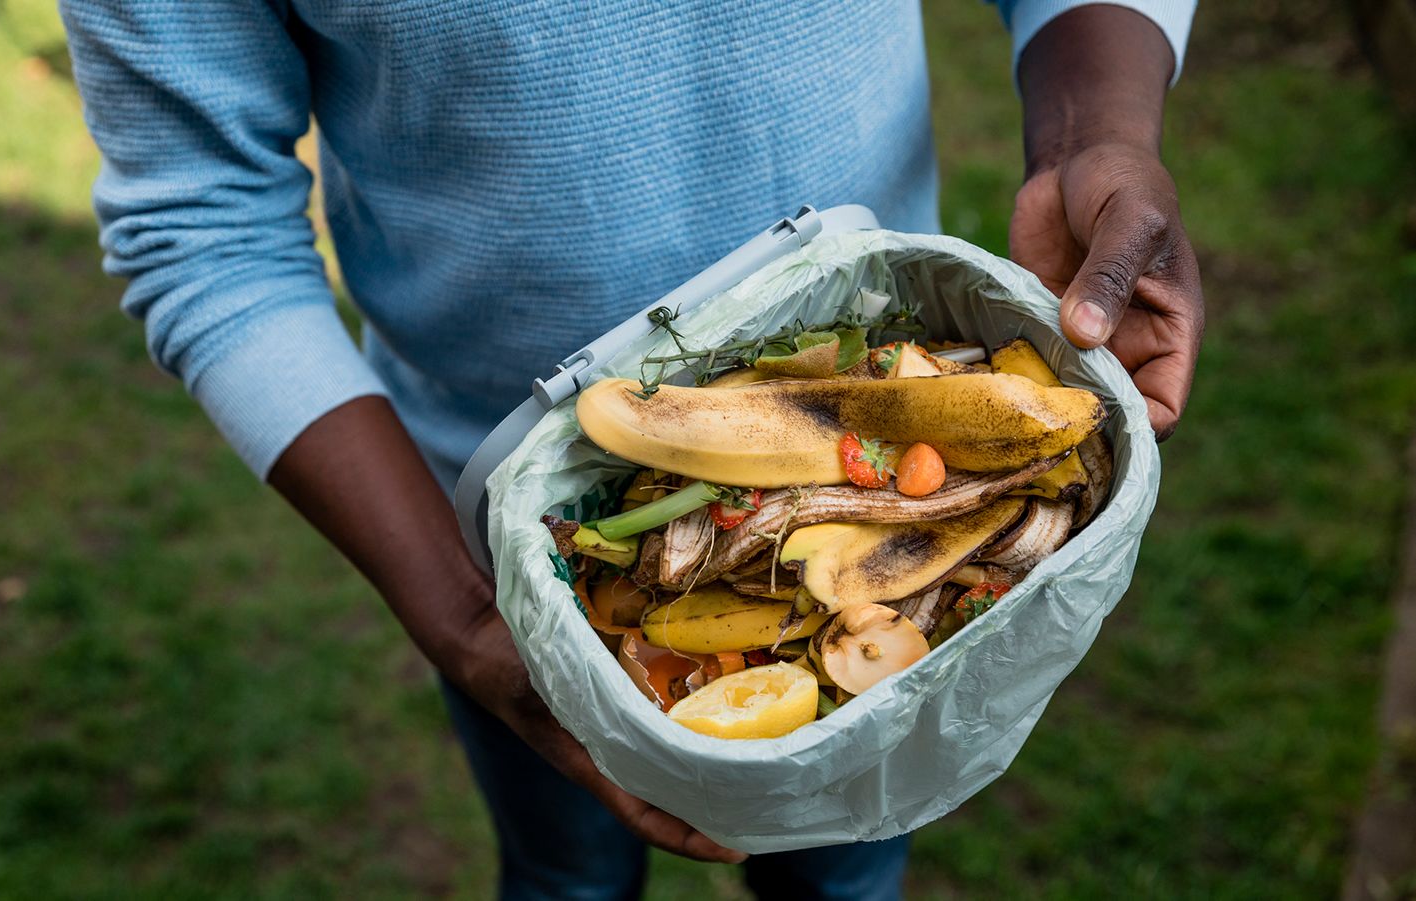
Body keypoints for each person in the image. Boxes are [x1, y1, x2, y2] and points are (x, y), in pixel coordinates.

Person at [60, 1, 1203, 897]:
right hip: (509, 549)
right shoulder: (491, 587)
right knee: (567, 872)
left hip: (895, 414)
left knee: (847, 867)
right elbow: (202, 232)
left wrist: (1088, 139)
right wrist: (463, 617)